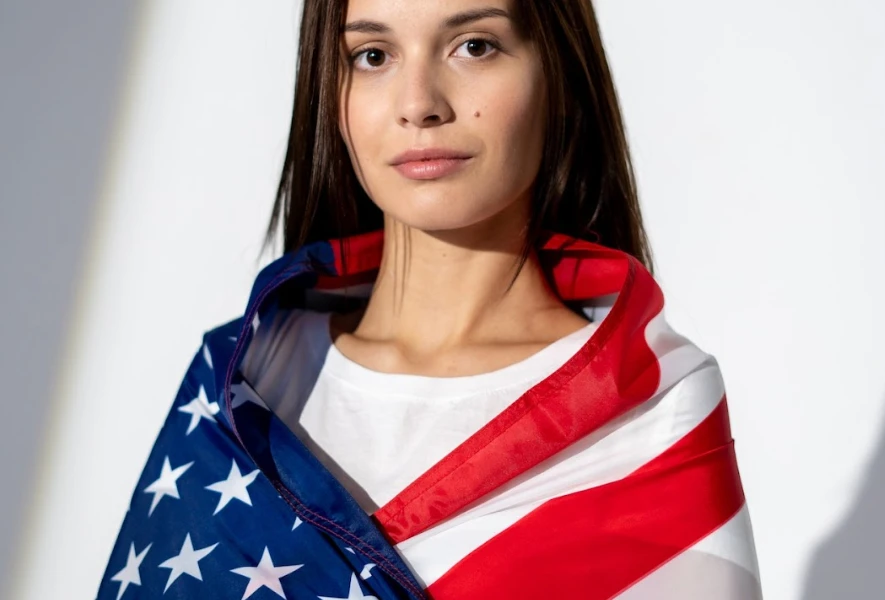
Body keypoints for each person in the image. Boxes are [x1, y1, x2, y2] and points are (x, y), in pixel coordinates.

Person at [97, 0, 762, 598]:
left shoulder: (653, 407)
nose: (418, 102)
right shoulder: (242, 382)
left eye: (473, 45)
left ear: (557, 74)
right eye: (373, 55)